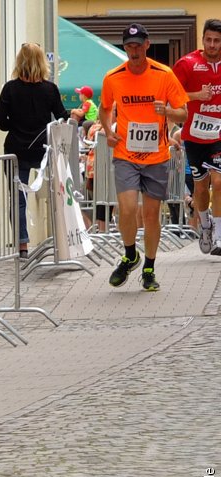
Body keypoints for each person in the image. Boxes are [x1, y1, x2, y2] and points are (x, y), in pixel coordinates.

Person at [99, 23, 189, 291]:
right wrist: (107, 130)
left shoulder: (164, 74)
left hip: (157, 156)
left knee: (151, 216)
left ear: (147, 45)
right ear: (124, 47)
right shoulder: (113, 77)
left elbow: (183, 112)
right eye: (129, 46)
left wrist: (167, 113)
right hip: (125, 153)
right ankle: (130, 255)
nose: (133, 51)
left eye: (138, 45)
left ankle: (148, 267)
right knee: (126, 209)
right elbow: (105, 109)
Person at [0, 42, 69, 258]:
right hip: (44, 150)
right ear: (42, 62)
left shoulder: (10, 88)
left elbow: (0, 120)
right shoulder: (50, 88)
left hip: (16, 149)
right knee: (56, 194)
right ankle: (61, 240)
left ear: (20, 61)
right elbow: (61, 115)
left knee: (18, 199)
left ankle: (22, 246)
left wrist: (15, 126)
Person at [172, 18, 221, 255]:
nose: (212, 45)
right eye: (208, 39)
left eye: (217, 41)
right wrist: (196, 95)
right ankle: (205, 224)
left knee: (219, 182)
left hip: (219, 133)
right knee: (201, 189)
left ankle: (220, 236)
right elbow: (173, 95)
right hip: (194, 134)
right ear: (202, 39)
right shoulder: (187, 63)